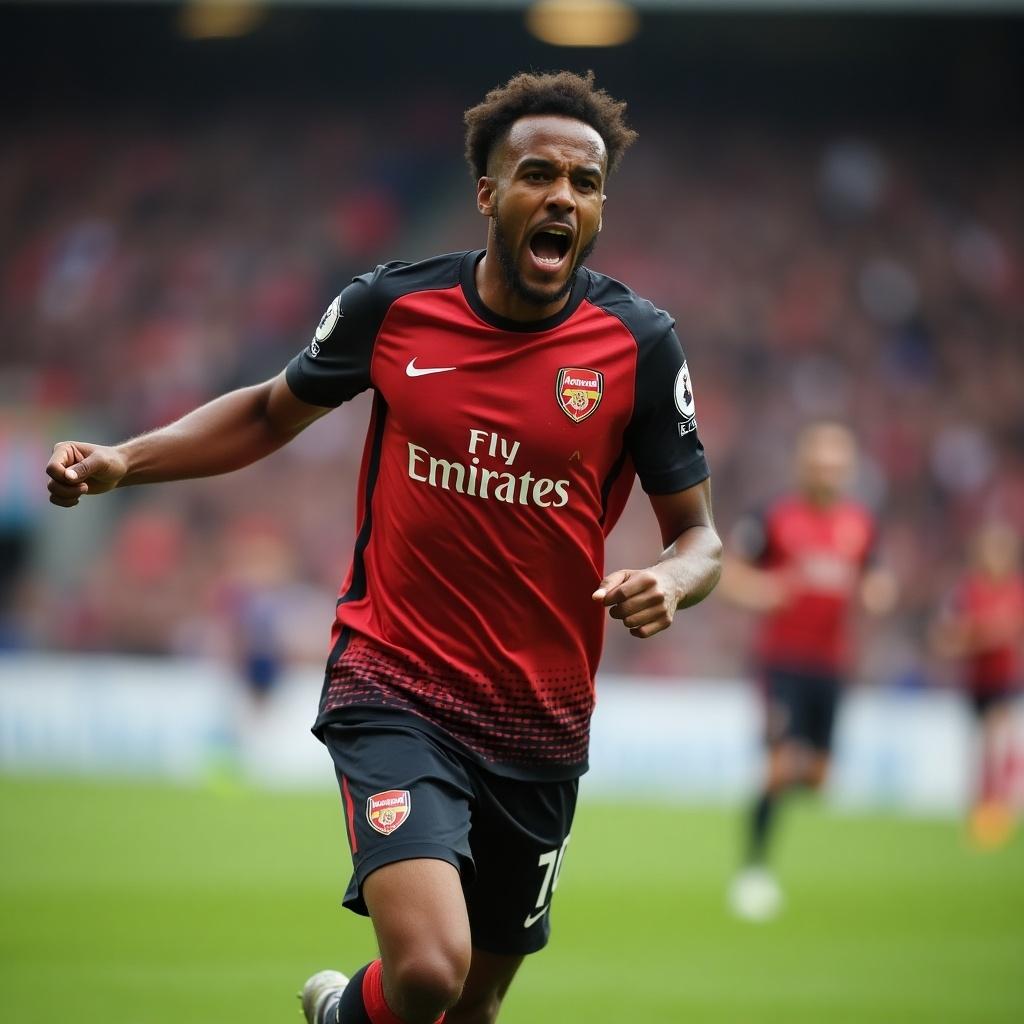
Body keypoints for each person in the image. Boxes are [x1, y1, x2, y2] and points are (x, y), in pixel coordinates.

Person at [46, 71, 721, 1024]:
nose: (563, 197)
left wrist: (672, 578)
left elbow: (699, 534)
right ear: (489, 193)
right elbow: (271, 412)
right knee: (430, 971)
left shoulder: (640, 345)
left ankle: (340, 1019)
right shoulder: (395, 308)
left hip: (541, 720)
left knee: (470, 1009)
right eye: (538, 175)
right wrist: (126, 458)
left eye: (586, 182)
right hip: (395, 683)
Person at [717, 421, 895, 921]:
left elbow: (877, 577)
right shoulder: (773, 516)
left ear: (848, 470)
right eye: (820, 463)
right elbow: (727, 571)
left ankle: (776, 794)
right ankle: (753, 871)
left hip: (831, 666)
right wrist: (763, 591)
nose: (828, 472)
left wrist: (879, 593)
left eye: (836, 465)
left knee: (815, 777)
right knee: (779, 765)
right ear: (804, 465)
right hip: (781, 664)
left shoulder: (861, 524)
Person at [931, 522, 1024, 849]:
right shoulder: (967, 591)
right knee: (982, 747)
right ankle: (983, 807)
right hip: (976, 680)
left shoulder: (1016, 590)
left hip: (1004, 679)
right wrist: (978, 636)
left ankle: (997, 808)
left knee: (998, 739)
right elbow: (946, 637)